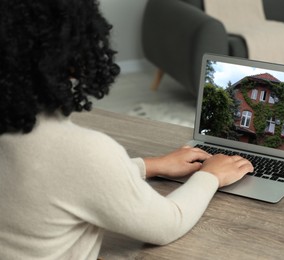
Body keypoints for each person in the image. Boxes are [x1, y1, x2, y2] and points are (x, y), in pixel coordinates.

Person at [0, 0, 253, 259]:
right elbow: (168, 223)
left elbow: (58, 179)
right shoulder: (83, 151)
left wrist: (150, 165)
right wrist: (211, 175)